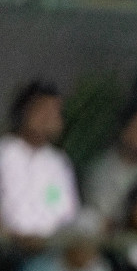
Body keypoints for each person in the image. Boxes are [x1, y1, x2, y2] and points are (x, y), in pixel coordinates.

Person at [0, 82, 79, 240]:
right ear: (24, 112)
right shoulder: (4, 152)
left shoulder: (57, 163)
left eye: (54, 112)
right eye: (42, 110)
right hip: (8, 246)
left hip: (49, 247)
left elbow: (64, 209)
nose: (48, 118)